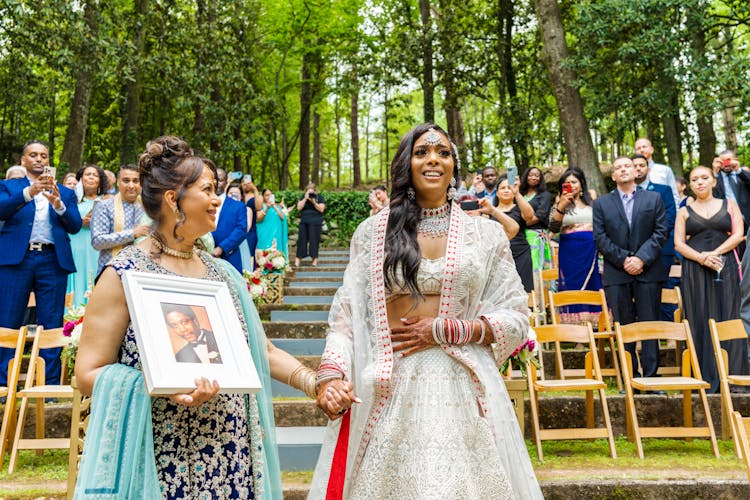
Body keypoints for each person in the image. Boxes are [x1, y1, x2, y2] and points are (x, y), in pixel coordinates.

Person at [75, 135, 320, 499]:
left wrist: (315, 384)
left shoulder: (223, 274)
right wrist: (159, 384)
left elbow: (262, 352)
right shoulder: (123, 273)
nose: (217, 199)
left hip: (232, 453)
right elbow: (88, 372)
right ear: (174, 199)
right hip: (163, 456)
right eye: (207, 189)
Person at [309, 124, 542, 499]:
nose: (433, 159)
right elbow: (346, 316)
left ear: (453, 165)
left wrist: (448, 330)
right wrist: (330, 376)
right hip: (391, 383)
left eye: (443, 152)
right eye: (422, 152)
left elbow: (515, 315)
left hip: (463, 384)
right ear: (406, 163)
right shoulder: (372, 232)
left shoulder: (485, 235)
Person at [0, 140, 82, 385]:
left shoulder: (65, 192)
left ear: (48, 161)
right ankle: (4, 382)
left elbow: (76, 225)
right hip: (17, 260)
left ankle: (50, 383)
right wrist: (29, 193)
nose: (38, 159)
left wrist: (58, 205)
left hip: (51, 260)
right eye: (33, 155)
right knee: (8, 319)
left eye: (43, 156)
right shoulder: (9, 186)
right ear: (23, 160)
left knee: (52, 321)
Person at [674, 165, 748, 393]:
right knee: (700, 318)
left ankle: (734, 376)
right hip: (695, 271)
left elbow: (738, 235)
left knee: (730, 314)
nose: (700, 182)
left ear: (714, 181)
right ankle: (705, 377)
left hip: (724, 267)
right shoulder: (684, 211)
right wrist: (701, 259)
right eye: (695, 179)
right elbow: (678, 244)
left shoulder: (730, 205)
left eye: (705, 178)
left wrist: (714, 254)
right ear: (690, 185)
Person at [593, 156, 668, 379]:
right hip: (617, 272)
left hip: (648, 270)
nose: (623, 170)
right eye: (618, 168)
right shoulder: (601, 204)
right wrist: (625, 259)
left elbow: (661, 231)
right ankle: (629, 374)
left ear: (636, 172)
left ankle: (651, 375)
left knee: (649, 323)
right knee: (623, 325)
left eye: (627, 166)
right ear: (613, 176)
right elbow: (600, 237)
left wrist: (641, 259)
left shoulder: (653, 199)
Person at [548, 168, 602, 323]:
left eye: (574, 182)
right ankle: (575, 327)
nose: (571, 185)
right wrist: (562, 205)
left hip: (590, 248)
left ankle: (595, 324)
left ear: (581, 184)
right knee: (572, 284)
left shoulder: (592, 202)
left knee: (593, 282)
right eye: (567, 183)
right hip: (569, 250)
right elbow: (553, 227)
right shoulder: (560, 203)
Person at [476, 175, 534, 292]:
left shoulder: (520, 208)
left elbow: (529, 216)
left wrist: (517, 193)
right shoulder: (489, 210)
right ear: (497, 193)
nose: (507, 190)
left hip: (520, 253)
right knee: (500, 292)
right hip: (498, 256)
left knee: (523, 290)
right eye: (503, 188)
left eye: (509, 187)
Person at [66, 164, 112, 307]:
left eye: (95, 175)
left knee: (94, 280)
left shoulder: (107, 200)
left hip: (96, 250)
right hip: (75, 248)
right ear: (80, 179)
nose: (91, 177)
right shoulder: (71, 200)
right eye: (87, 174)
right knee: (76, 281)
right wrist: (79, 222)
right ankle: (71, 321)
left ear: (100, 180)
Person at [91, 164, 148, 275]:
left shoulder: (147, 207)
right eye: (126, 181)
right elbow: (97, 241)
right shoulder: (105, 206)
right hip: (111, 272)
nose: (131, 185)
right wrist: (133, 233)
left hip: (141, 272)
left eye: (135, 181)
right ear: (118, 182)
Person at [211, 177, 248, 273]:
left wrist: (222, 248)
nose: (217, 182)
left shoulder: (238, 206)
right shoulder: (200, 201)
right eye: (215, 179)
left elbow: (241, 229)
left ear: (226, 182)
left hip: (228, 256)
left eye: (221, 180)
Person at [520, 166, 553, 272]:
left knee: (537, 265)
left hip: (536, 236)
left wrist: (520, 224)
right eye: (531, 175)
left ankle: (539, 288)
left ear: (540, 179)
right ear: (526, 177)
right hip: (521, 236)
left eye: (537, 175)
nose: (533, 177)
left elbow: (540, 216)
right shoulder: (520, 195)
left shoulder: (545, 195)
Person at [634, 137, 680, 207]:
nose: (642, 150)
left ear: (652, 149)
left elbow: (675, 195)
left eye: (644, 147)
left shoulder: (665, 170)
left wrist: (675, 215)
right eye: (638, 148)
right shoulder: (632, 172)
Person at [713, 149, 750, 231]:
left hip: (747, 219)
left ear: (735, 160)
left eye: (728, 160)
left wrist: (738, 170)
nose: (726, 164)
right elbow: (713, 196)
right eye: (722, 162)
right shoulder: (716, 178)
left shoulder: (741, 174)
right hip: (727, 222)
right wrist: (715, 173)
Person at [295, 183, 325, 267]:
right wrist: (305, 198)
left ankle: (314, 260)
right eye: (309, 192)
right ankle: (298, 260)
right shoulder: (303, 197)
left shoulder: (320, 197)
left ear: (315, 191)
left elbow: (321, 209)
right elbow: (299, 208)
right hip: (304, 221)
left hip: (316, 222)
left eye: (312, 192)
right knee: (301, 240)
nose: (311, 194)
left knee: (314, 241)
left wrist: (314, 202)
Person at [256, 188, 288, 257]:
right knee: (263, 253)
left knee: (275, 253)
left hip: (275, 235)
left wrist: (274, 207)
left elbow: (283, 218)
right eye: (266, 195)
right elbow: (259, 219)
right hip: (264, 233)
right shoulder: (260, 206)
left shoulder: (277, 206)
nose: (268, 197)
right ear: (263, 196)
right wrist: (267, 208)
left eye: (270, 195)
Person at [241, 175, 263, 268]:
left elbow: (259, 207)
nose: (245, 184)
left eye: (247, 182)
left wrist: (255, 189)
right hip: (237, 228)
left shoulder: (256, 196)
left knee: (250, 254)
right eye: (243, 182)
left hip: (251, 231)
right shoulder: (237, 195)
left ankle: (250, 276)